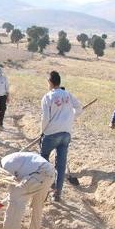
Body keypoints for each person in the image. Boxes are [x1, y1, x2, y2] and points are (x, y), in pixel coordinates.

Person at [0, 151, 55, 229]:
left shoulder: (6, 166)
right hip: (49, 173)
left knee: (16, 203)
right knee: (37, 208)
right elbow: (18, 192)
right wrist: (0, 204)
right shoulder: (10, 159)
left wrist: (0, 205)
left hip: (38, 174)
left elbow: (14, 197)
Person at [39, 71, 82, 202]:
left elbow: (45, 118)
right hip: (66, 134)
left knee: (43, 159)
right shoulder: (67, 94)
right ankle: (57, 192)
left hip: (51, 133)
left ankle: (45, 187)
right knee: (61, 165)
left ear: (50, 82)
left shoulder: (47, 97)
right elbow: (79, 107)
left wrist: (42, 132)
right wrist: (70, 117)